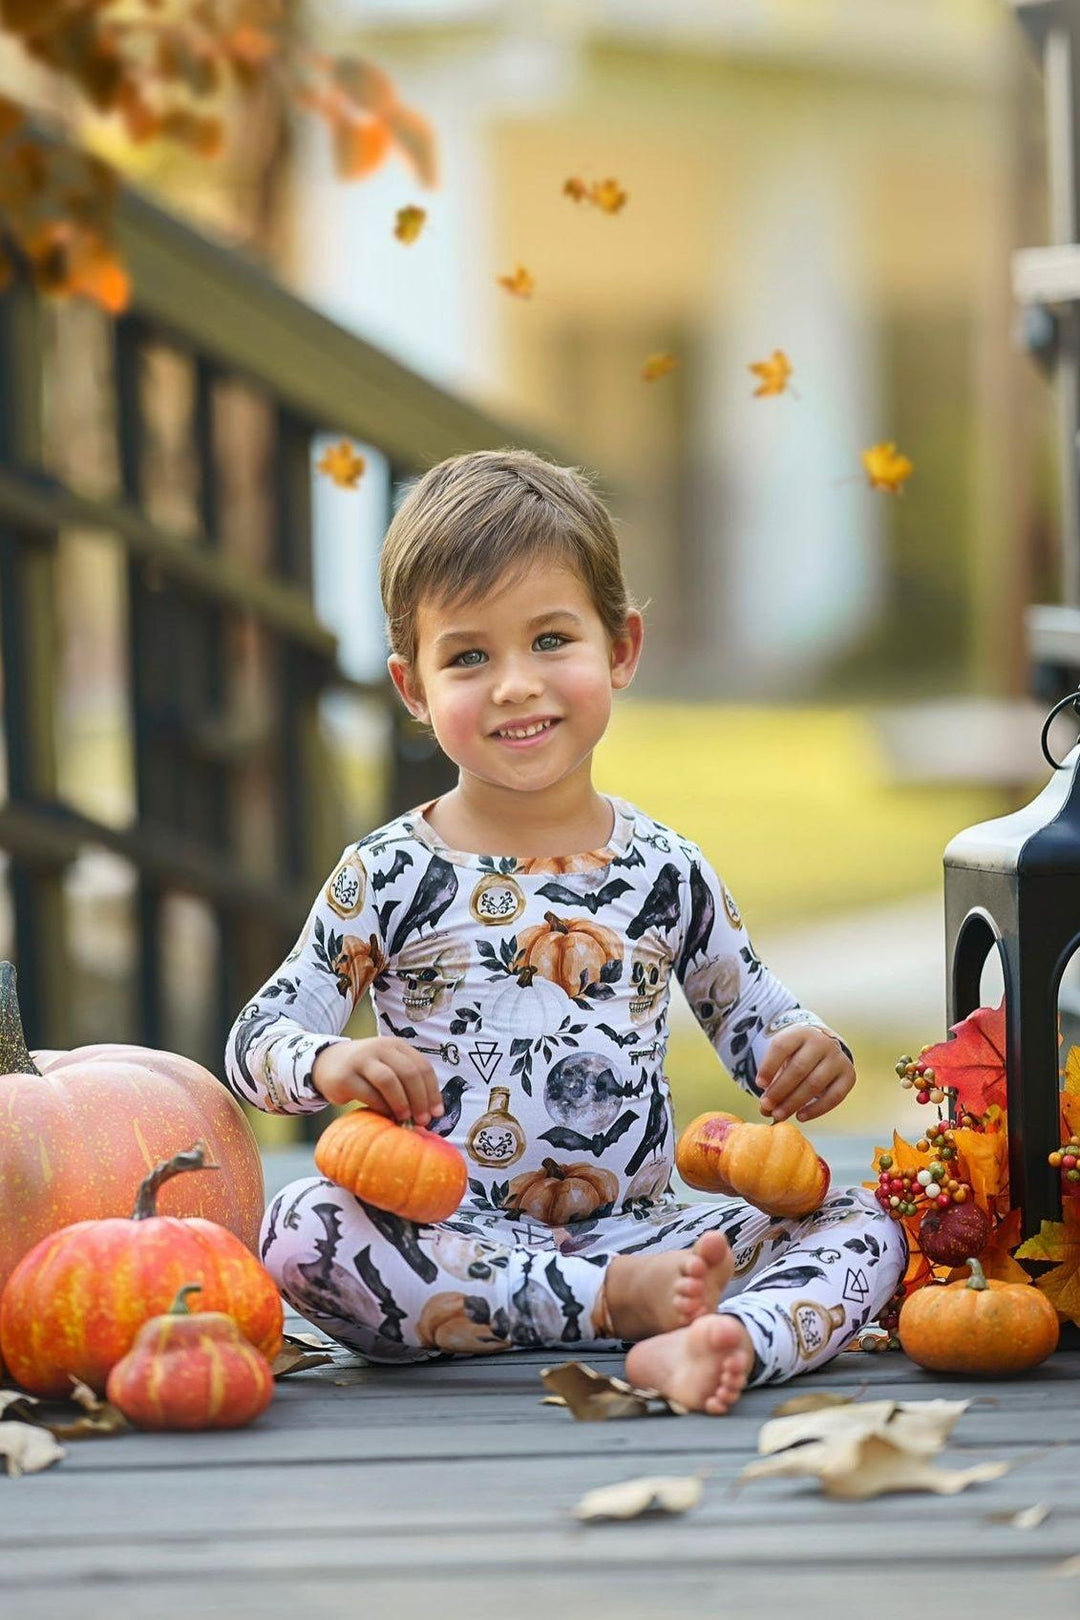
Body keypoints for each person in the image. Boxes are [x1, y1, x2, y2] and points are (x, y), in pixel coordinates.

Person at [225, 448, 906, 1414]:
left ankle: (728, 1342)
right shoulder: (386, 873)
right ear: (412, 688)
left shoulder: (667, 870)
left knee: (865, 1220)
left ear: (621, 648)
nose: (514, 684)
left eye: (551, 640)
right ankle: (611, 1313)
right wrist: (329, 1064)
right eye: (468, 656)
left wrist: (811, 1054)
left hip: (647, 1238)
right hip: (449, 1241)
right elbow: (255, 1045)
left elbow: (760, 1026)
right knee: (302, 1228)